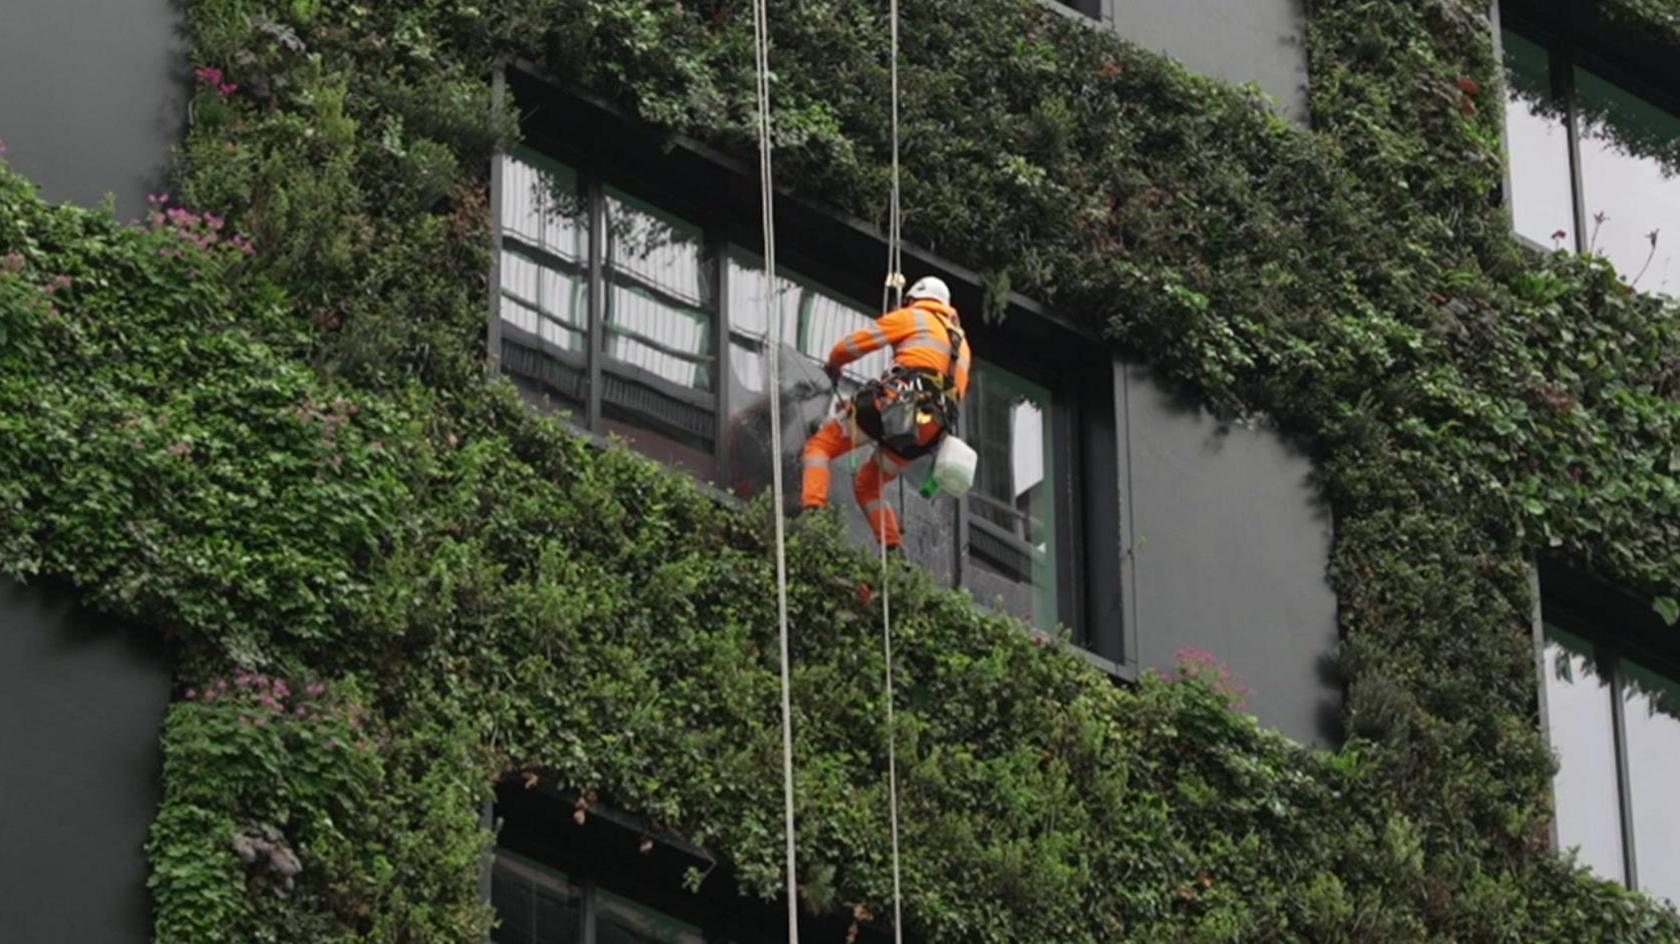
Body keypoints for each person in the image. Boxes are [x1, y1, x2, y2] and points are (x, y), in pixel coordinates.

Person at [800, 275, 972, 551]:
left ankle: (813, 516)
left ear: (914, 299)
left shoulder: (914, 316)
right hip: (925, 434)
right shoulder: (962, 346)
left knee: (819, 447)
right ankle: (892, 550)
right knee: (869, 484)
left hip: (893, 409)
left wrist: (834, 364)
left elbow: (852, 346)